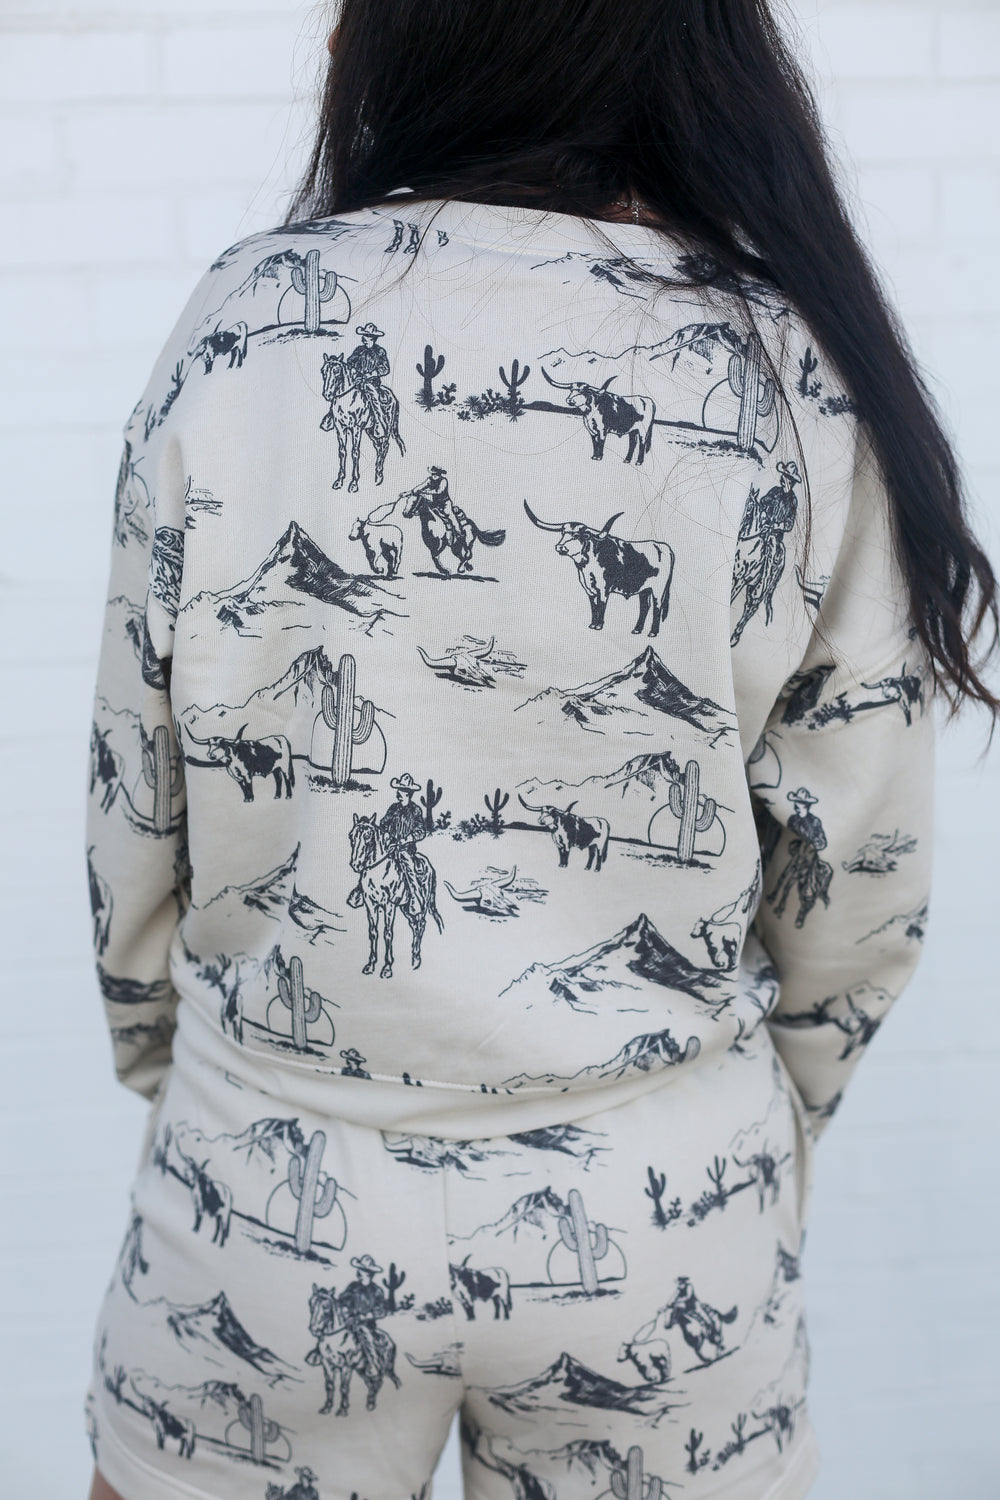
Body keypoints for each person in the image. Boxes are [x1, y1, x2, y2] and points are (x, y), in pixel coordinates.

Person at [84, 4, 998, 1499]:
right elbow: (859, 883)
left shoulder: (247, 322)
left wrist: (184, 1074)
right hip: (660, 1201)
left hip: (271, 1188)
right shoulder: (783, 361)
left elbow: (138, 797)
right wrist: (740, 1130)